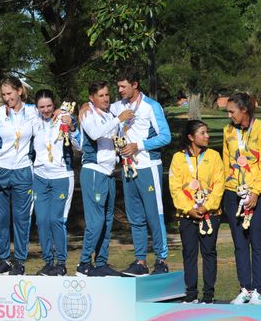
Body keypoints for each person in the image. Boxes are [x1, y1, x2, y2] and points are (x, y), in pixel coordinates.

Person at [110, 70, 172, 276]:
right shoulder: (118, 107)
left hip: (148, 166)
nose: (119, 91)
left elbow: (166, 137)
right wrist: (83, 107)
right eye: (118, 87)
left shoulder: (151, 107)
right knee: (135, 217)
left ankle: (161, 260)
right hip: (128, 168)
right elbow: (96, 110)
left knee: (155, 215)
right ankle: (140, 261)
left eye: (123, 87)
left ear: (135, 85)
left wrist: (139, 145)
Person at [0, 77, 36, 275]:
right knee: (0, 219)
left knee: (21, 219)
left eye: (9, 93)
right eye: (3, 94)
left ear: (19, 91)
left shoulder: (33, 112)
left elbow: (49, 117)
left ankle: (19, 261)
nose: (6, 98)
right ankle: (4, 261)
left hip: (23, 171)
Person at [76, 81, 134, 276]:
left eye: (107, 95)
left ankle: (101, 262)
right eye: (100, 95)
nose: (106, 98)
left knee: (108, 220)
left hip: (109, 173)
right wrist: (118, 119)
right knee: (96, 221)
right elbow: (94, 133)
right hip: (94, 171)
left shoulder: (109, 114)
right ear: (91, 98)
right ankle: (83, 264)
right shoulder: (88, 114)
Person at [222, 93, 261, 305]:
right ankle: (245, 288)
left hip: (258, 194)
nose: (229, 115)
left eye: (232, 111)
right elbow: (227, 161)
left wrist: (256, 192)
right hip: (234, 193)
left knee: (256, 241)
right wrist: (229, 186)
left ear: (244, 110)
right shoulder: (228, 130)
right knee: (239, 243)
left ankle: (258, 291)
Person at [169, 120, 224, 303]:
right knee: (189, 253)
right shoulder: (178, 158)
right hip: (187, 215)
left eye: (207, 132)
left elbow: (219, 185)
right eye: (202, 133)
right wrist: (188, 209)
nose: (207, 136)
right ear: (191, 137)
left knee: (209, 252)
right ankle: (191, 294)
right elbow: (175, 188)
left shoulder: (215, 156)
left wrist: (206, 206)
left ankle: (209, 295)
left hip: (210, 214)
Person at [30, 89, 81, 276]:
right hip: (41, 177)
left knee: (56, 220)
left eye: (49, 106)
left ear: (55, 104)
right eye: (41, 107)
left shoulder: (64, 119)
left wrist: (73, 126)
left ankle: (61, 263)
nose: (45, 110)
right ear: (36, 107)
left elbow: (80, 146)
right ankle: (48, 262)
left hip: (61, 176)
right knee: (42, 220)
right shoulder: (34, 121)